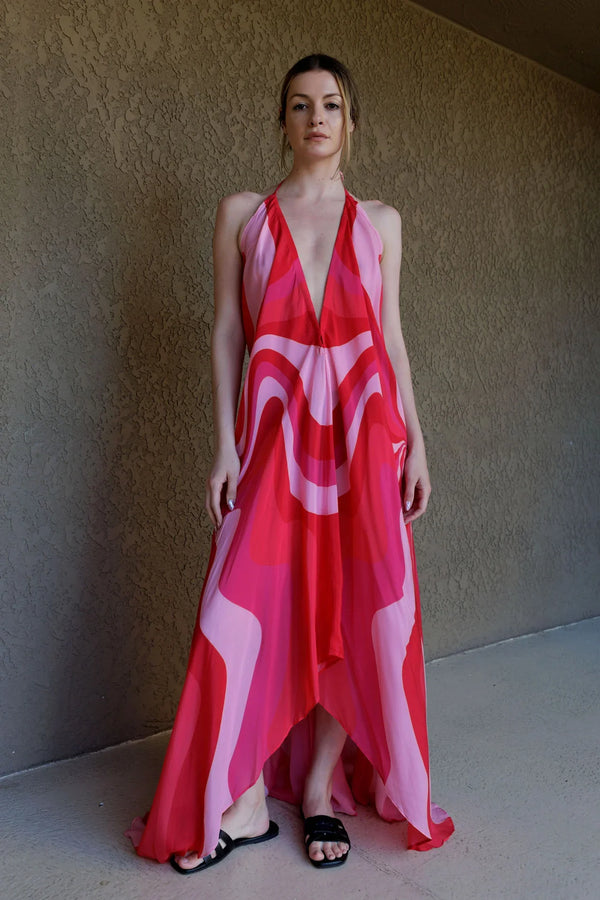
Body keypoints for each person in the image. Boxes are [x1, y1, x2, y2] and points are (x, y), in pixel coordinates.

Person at [127, 53, 454, 874]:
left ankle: (314, 791)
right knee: (235, 615)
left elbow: (392, 339)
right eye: (301, 105)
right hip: (272, 450)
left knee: (357, 612)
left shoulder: (382, 222)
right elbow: (226, 333)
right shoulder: (243, 214)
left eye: (331, 105)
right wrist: (223, 445)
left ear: (351, 121)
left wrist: (417, 440)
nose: (316, 118)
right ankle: (238, 800)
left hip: (363, 449)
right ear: (282, 120)